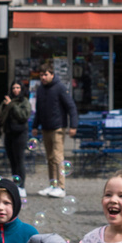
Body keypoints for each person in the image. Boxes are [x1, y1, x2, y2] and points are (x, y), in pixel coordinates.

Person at [32, 66, 77, 199]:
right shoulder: (40, 89)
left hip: (58, 127)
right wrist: (35, 126)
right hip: (45, 127)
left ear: (52, 74)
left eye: (45, 74)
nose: (43, 77)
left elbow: (71, 107)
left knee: (57, 157)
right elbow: (38, 110)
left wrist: (73, 126)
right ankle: (53, 185)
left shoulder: (60, 87)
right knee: (50, 158)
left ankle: (61, 187)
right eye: (41, 75)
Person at [0, 82, 31, 191]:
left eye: (18, 87)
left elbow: (23, 116)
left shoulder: (24, 102)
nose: (15, 90)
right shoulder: (7, 101)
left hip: (20, 134)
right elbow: (1, 114)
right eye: (13, 88)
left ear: (21, 89)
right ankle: (16, 184)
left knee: (19, 160)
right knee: (12, 160)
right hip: (9, 133)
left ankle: (22, 187)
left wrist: (11, 105)